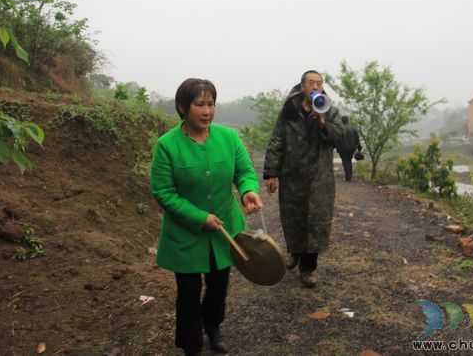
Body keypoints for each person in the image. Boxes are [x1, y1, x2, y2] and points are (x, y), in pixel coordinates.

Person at [150, 78, 263, 356]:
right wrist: (200, 217)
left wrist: (248, 191)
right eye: (199, 104)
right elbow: (163, 192)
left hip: (224, 228)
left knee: (218, 285)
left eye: (211, 104)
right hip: (185, 234)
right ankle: (191, 345)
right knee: (188, 292)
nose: (207, 111)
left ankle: (213, 326)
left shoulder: (229, 137)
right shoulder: (167, 145)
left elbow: (244, 172)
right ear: (183, 107)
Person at [263, 70, 343, 288]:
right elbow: (277, 139)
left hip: (319, 177)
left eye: (319, 83)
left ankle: (308, 269)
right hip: (293, 174)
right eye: (311, 83)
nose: (315, 87)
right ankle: (294, 252)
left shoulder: (329, 109)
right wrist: (272, 172)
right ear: (302, 86)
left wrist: (323, 122)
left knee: (315, 221)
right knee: (293, 217)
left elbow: (340, 138)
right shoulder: (289, 110)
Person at [336, 115, 362, 181]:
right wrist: (359, 148)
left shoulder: (340, 128)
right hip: (351, 148)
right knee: (349, 161)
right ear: (348, 120)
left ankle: (348, 177)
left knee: (345, 161)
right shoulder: (353, 128)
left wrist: (335, 146)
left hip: (342, 149)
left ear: (341, 121)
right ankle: (350, 175)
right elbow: (357, 139)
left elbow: (337, 139)